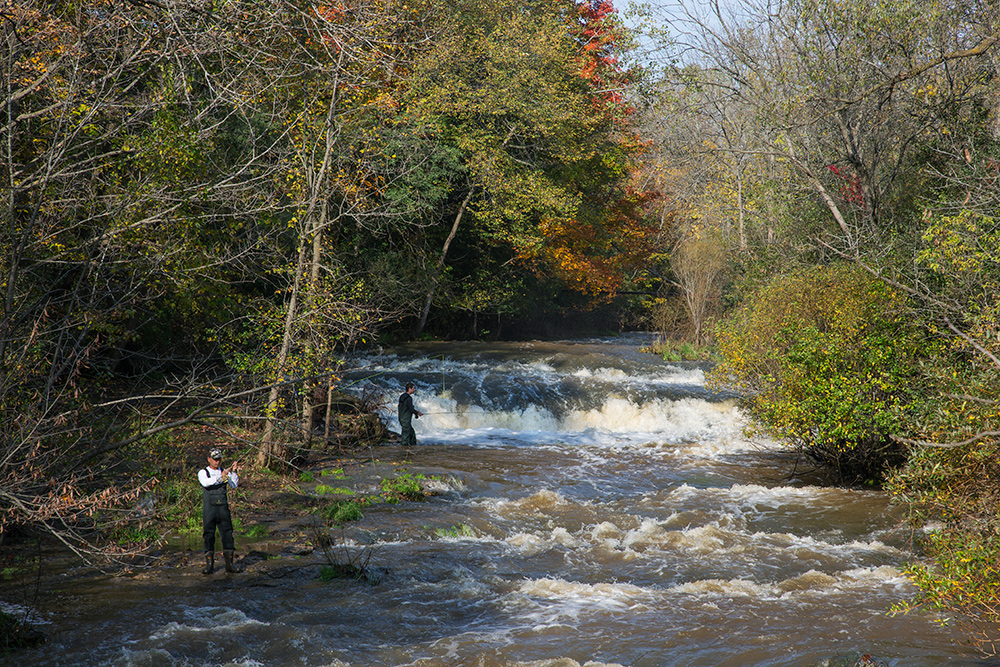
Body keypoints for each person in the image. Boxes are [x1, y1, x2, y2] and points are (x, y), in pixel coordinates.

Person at [198, 447, 240, 574]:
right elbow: (205, 483)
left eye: (219, 459)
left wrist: (233, 472)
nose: (217, 462)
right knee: (208, 535)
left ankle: (230, 565)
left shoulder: (224, 471)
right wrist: (220, 478)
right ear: (209, 459)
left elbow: (234, 485)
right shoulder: (203, 472)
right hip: (210, 509)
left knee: (228, 534)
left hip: (223, 509)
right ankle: (209, 566)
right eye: (215, 459)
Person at [397, 382, 422, 447]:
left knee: (412, 434)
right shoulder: (409, 398)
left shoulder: (402, 396)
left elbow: (407, 408)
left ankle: (413, 447)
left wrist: (416, 413)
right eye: (413, 388)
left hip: (401, 418)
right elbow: (411, 409)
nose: (414, 390)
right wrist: (417, 413)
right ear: (409, 389)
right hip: (405, 420)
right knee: (405, 437)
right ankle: (404, 451)